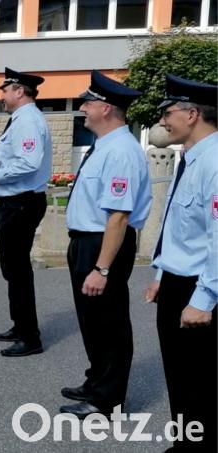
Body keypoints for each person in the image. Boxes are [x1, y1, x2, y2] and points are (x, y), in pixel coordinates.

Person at [60, 70, 151, 418]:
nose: (83, 107)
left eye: (88, 102)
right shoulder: (104, 147)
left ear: (107, 108)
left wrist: (102, 267)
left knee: (108, 322)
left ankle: (107, 399)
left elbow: (118, 217)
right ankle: (96, 380)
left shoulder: (122, 152)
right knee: (92, 320)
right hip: (86, 240)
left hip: (104, 244)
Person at [144, 74, 217, 452]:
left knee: (201, 380)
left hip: (200, 288)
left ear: (192, 114)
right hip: (177, 281)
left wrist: (204, 298)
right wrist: (161, 272)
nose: (162, 122)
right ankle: (187, 442)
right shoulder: (189, 157)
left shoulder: (215, 161)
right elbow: (179, 226)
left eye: (167, 113)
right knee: (179, 374)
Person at [0, 67, 52, 357]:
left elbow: (28, 162)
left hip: (22, 201)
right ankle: (20, 325)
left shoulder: (28, 121)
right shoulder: (20, 119)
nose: (2, 94)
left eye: (5, 89)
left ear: (19, 91)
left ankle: (29, 336)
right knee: (12, 269)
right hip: (15, 201)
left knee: (18, 271)